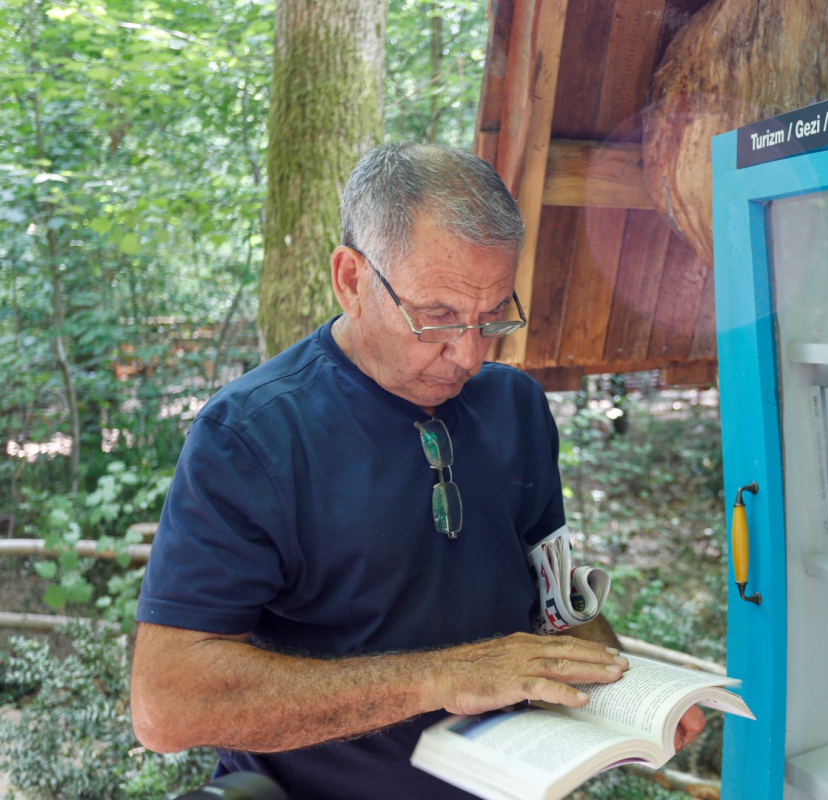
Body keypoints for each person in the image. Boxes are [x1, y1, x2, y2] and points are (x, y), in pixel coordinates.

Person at [130, 143, 705, 799]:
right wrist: (445, 677)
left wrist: (624, 689)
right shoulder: (251, 435)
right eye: (436, 317)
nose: (468, 356)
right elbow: (168, 705)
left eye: (492, 317)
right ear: (351, 280)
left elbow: (552, 598)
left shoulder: (515, 406)